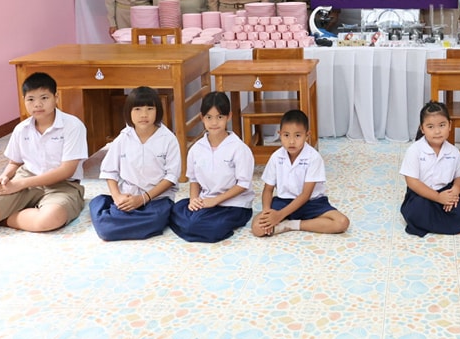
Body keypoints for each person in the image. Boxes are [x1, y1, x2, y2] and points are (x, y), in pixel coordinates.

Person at [0, 72, 88, 233]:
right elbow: (15, 162)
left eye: (44, 98)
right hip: (26, 177)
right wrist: (3, 178)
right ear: (24, 101)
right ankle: (8, 214)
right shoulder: (21, 129)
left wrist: (20, 185)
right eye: (31, 99)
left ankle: (3, 219)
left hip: (63, 185)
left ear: (56, 97)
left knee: (49, 220)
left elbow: (66, 170)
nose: (37, 104)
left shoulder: (73, 126)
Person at [90, 86, 181, 241]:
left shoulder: (168, 139)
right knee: (106, 230)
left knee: (156, 220)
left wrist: (144, 198)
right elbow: (109, 171)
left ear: (158, 111)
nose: (144, 115)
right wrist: (117, 196)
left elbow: (171, 177)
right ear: (128, 112)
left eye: (150, 108)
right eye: (137, 109)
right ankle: (108, 205)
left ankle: (112, 214)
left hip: (157, 199)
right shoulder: (122, 138)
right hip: (128, 196)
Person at [169, 92, 254, 243]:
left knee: (210, 227)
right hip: (206, 202)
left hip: (234, 205)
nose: (214, 122)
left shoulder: (239, 149)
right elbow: (194, 180)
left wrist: (216, 201)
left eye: (219, 117)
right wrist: (194, 199)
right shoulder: (196, 149)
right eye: (209, 117)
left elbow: (243, 184)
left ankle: (198, 226)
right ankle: (196, 224)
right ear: (202, 118)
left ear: (229, 116)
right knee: (174, 209)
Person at [251, 109, 350, 237]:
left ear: (307, 135)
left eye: (297, 135)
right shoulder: (276, 157)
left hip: (311, 203)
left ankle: (290, 225)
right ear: (279, 134)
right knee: (257, 228)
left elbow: (305, 195)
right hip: (284, 201)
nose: (291, 141)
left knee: (342, 222)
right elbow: (268, 189)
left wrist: (280, 216)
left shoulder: (314, 157)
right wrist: (267, 213)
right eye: (286, 135)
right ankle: (286, 221)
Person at [399, 101, 460, 237]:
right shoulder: (414, 150)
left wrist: (454, 192)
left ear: (450, 125)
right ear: (422, 129)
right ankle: (444, 222)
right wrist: (438, 197)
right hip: (423, 194)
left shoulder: (453, 151)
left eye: (442, 125)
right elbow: (412, 182)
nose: (437, 131)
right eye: (430, 127)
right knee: (417, 210)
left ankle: (439, 221)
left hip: (447, 191)